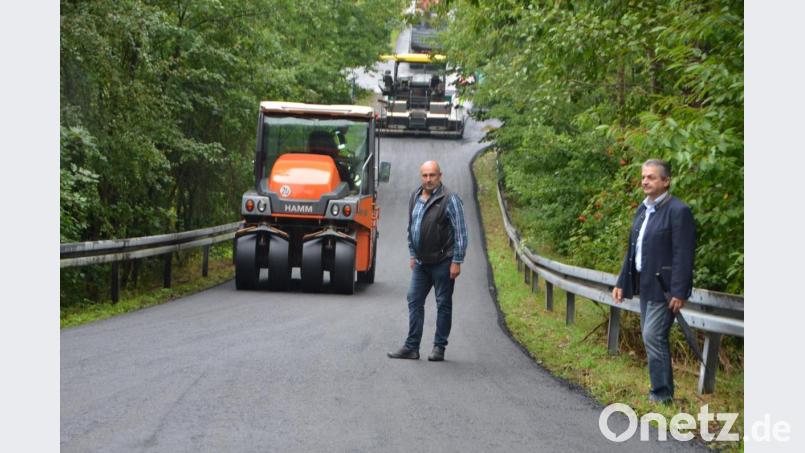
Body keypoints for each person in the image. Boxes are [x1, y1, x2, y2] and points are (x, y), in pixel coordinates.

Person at [612, 159, 696, 403]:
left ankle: (661, 395)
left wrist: (679, 292)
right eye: (643, 177)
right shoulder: (643, 210)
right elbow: (633, 250)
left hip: (665, 289)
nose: (645, 181)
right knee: (651, 337)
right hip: (645, 287)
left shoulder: (678, 211)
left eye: (651, 177)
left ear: (666, 181)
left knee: (652, 336)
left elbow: (684, 254)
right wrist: (621, 282)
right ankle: (661, 392)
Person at [388, 160, 468, 362]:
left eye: (432, 175)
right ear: (420, 176)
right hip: (421, 263)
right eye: (424, 175)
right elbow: (412, 227)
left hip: (443, 261)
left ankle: (439, 348)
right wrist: (413, 254)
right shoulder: (415, 196)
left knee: (443, 304)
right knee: (414, 300)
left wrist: (457, 260)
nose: (428, 179)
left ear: (440, 175)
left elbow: (461, 232)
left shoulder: (450, 199)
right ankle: (411, 347)